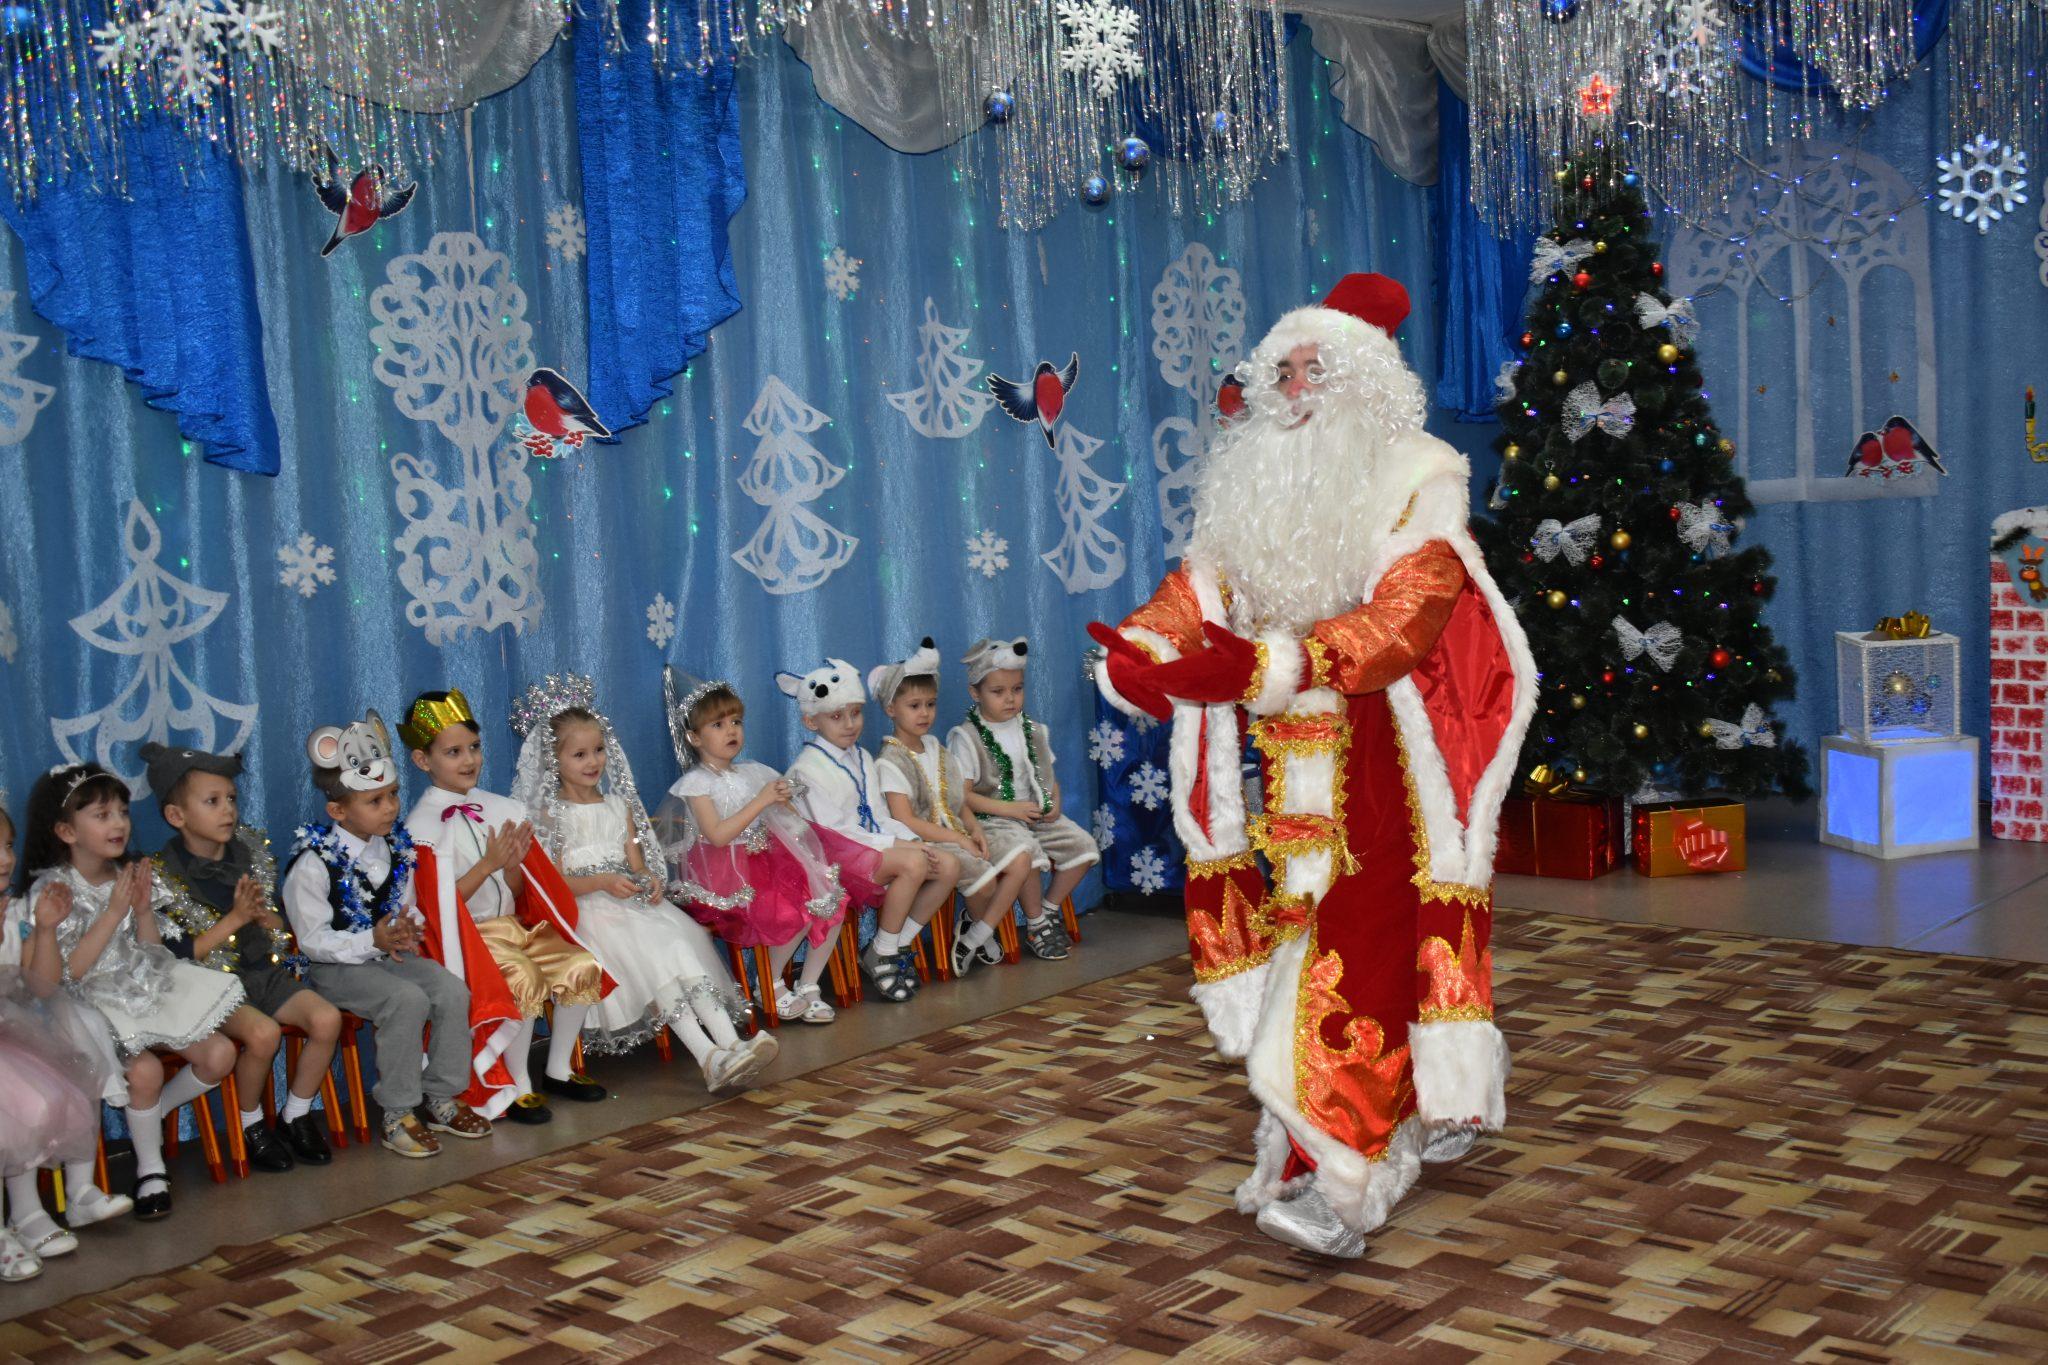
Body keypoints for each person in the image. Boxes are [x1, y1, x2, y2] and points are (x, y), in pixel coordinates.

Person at [1089, 273, 1535, 1257]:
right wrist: (1144, 654)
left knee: (1350, 959)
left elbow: (1405, 617)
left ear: (1361, 381)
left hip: (1385, 771)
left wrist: (1269, 662)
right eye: (1279, 369)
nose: (1290, 388)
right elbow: (1196, 590)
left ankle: (1342, 1179)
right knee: (1305, 944)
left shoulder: (1419, 474)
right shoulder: (1255, 483)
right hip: (1279, 772)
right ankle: (1375, 1124)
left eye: (1311, 369)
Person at [507, 673, 777, 1092]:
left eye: (598, 750)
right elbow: (551, 884)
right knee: (655, 957)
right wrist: (600, 881)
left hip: (628, 904)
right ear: (553, 761)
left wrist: (649, 880)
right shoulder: (550, 815)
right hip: (586, 914)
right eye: (579, 754)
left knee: (676, 944)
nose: (592, 762)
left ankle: (730, 1044)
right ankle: (708, 1058)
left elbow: (639, 863)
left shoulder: (617, 806)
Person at [21, 765, 243, 1220]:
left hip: (142, 985)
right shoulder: (55, 889)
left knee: (220, 1054)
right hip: (88, 1005)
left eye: (121, 812)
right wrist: (113, 911)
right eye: (102, 815)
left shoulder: (129, 873)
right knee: (144, 1072)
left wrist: (141, 911)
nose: (119, 823)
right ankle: (151, 1168)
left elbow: (153, 951)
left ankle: (151, 1115)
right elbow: (61, 978)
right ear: (66, 830)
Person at [282, 710, 493, 1158]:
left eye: (393, 795)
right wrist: (369, 942)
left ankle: (442, 1095)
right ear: (339, 810)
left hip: (388, 958)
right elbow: (313, 940)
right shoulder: (313, 864)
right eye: (375, 801)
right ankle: (398, 1112)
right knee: (406, 1000)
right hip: (334, 967)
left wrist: (404, 930)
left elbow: (406, 906)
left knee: (452, 991)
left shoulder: (397, 848)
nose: (391, 808)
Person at [402, 689, 611, 1125]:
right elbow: (437, 906)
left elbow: (519, 891)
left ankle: (558, 1068)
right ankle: (517, 1080)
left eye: (474, 748)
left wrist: (512, 868)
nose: (468, 760)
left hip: (512, 927)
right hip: (468, 939)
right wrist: (488, 865)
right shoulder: (420, 828)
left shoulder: (501, 808)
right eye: (453, 752)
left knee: (580, 964)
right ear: (424, 761)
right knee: (524, 976)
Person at [143, 744, 339, 1170]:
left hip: (260, 974)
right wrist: (234, 919)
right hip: (208, 986)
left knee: (327, 1020)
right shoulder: (162, 875)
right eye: (212, 801)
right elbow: (172, 955)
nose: (227, 810)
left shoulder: (249, 852)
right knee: (264, 1034)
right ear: (177, 816)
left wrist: (270, 922)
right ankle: (252, 1125)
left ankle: (297, 1114)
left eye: (231, 798)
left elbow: (273, 923)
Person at [655, 671, 853, 1026]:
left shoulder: (752, 771)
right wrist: (762, 802)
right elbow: (717, 836)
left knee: (832, 899)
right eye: (717, 725)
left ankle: (808, 984)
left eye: (736, 721)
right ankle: (770, 983)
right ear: (693, 737)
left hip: (765, 859)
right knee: (793, 911)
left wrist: (782, 803)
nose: (731, 730)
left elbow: (781, 815)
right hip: (727, 874)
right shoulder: (696, 784)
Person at [0, 798, 131, 1273]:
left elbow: (42, 984)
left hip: (11, 1033)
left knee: (48, 1095)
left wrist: (47, 932)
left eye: (8, 845)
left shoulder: (17, 912)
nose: (5, 859)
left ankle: (30, 1211)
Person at [781, 660, 959, 1003]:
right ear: (810, 720)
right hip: (830, 859)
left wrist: (910, 840)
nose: (849, 724)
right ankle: (883, 952)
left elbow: (877, 815)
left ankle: (890, 944)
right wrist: (898, 847)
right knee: (913, 864)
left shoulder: (861, 756)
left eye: (856, 713)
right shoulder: (806, 769)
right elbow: (834, 834)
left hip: (868, 847)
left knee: (948, 864)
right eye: (836, 716)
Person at [871, 639, 1034, 976]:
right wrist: (959, 840)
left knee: (1008, 857)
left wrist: (973, 829)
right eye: (913, 705)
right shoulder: (890, 761)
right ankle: (907, 941)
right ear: (891, 708)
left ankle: (971, 926)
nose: (924, 713)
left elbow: (957, 801)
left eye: (929, 704)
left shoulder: (936, 747)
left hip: (955, 833)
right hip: (923, 840)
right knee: (985, 883)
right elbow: (904, 819)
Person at [946, 637, 1098, 961]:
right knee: (1024, 852)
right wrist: (1007, 808)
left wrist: (1054, 803)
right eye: (998, 692)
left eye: (1017, 689)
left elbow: (1048, 774)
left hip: (1034, 814)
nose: (1010, 699)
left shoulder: (1033, 729)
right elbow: (962, 796)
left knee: (1084, 846)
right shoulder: (966, 737)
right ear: (976, 693)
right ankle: (1035, 925)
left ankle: (1048, 910)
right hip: (993, 820)